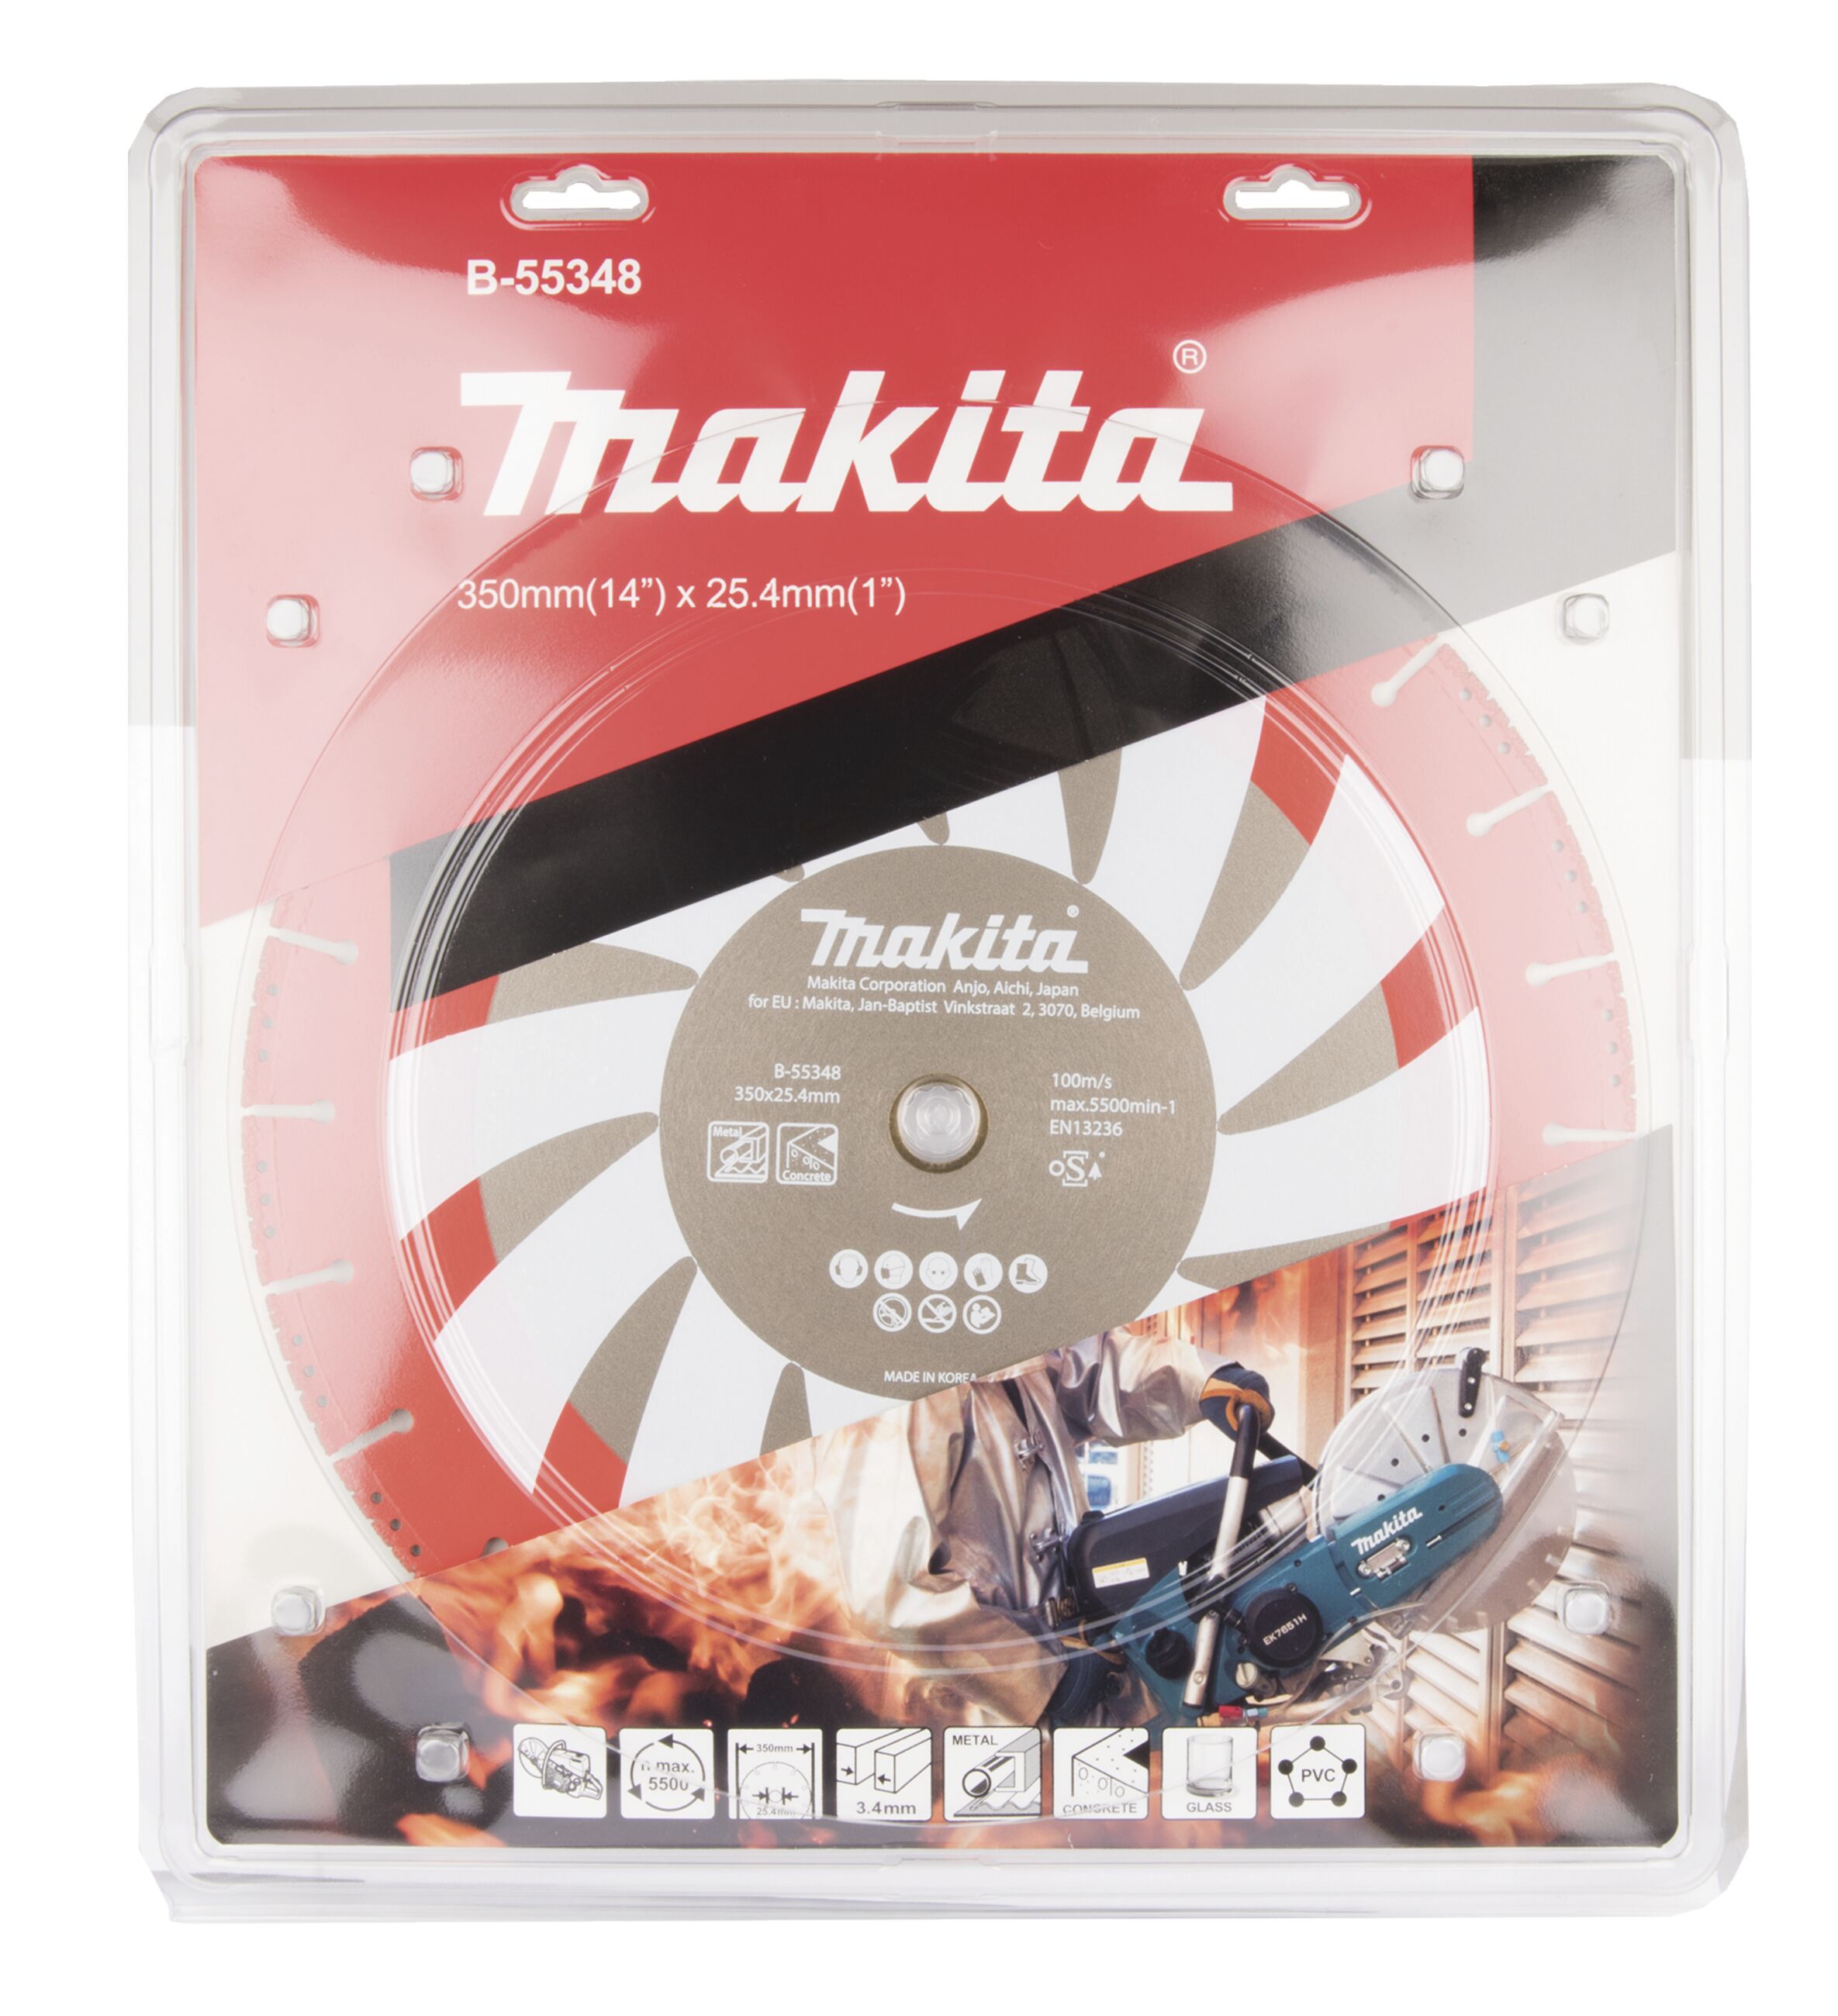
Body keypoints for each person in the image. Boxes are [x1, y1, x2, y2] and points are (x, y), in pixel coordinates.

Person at [812, 1327, 1271, 1727]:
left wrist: (1201, 1381)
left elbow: (1088, 1371)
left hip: (1070, 1662)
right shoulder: (894, 1383)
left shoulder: (998, 1336)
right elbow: (887, 1595)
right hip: (977, 1709)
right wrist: (1039, 1682)